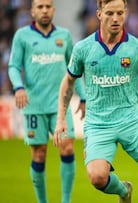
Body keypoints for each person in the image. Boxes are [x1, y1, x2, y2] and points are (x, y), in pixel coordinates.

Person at [53, 0, 138, 202]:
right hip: (98, 124)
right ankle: (124, 191)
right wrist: (60, 118)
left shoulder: (137, 47)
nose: (116, 18)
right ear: (99, 14)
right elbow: (68, 82)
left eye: (120, 13)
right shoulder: (83, 48)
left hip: (130, 120)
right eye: (110, 13)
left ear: (126, 13)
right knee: (97, 178)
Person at [7, 0, 86, 203]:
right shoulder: (22, 36)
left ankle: (65, 200)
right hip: (34, 106)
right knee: (39, 155)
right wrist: (18, 87)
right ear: (33, 11)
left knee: (67, 147)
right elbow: (14, 66)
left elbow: (74, 70)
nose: (44, 10)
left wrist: (83, 96)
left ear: (53, 10)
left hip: (61, 106)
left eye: (47, 6)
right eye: (40, 7)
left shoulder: (64, 36)